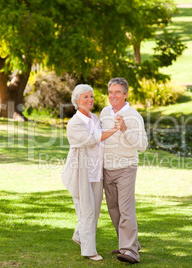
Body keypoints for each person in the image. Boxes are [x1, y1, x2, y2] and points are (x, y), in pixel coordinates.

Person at [61, 84, 120, 261]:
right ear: (77, 101)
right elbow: (91, 140)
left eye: (91, 96)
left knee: (93, 211)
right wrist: (114, 129)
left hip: (96, 172)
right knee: (86, 211)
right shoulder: (74, 123)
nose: (90, 100)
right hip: (81, 172)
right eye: (85, 97)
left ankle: (79, 236)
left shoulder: (95, 118)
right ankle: (88, 250)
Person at [100, 77, 148, 264]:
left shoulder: (134, 116)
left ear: (126, 94)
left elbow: (143, 145)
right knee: (113, 208)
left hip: (126, 168)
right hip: (107, 168)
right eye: (111, 92)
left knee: (126, 209)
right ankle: (127, 243)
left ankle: (130, 252)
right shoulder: (104, 112)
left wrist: (126, 130)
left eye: (117, 92)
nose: (113, 96)